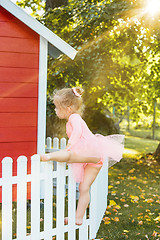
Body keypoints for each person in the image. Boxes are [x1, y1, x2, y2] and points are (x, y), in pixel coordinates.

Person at [40, 87, 124, 226]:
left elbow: (78, 132)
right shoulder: (72, 118)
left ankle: (48, 157)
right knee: (84, 188)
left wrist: (70, 144)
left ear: (67, 108)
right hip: (96, 158)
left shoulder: (74, 117)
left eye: (57, 107)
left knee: (69, 155)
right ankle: (79, 218)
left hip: (91, 152)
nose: (55, 110)